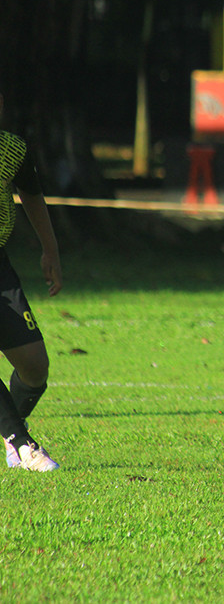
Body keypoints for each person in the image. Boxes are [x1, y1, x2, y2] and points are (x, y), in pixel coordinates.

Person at [0, 93, 62, 472]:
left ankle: (9, 430)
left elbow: (32, 195)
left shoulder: (10, 150)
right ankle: (22, 445)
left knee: (35, 367)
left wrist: (50, 250)